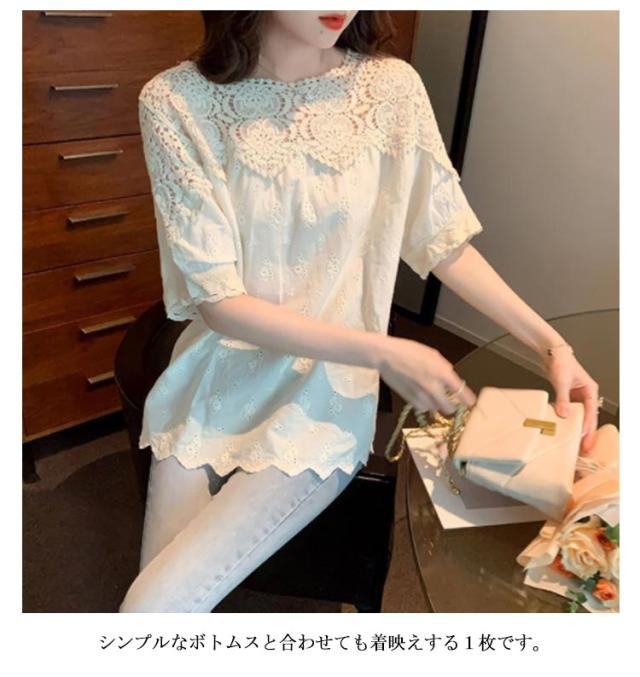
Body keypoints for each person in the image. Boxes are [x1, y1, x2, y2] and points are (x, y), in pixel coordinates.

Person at [119, 10, 601, 613]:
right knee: (155, 610)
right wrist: (385, 351)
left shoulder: (390, 88)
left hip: (324, 392)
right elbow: (219, 302)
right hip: (215, 378)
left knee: (152, 607)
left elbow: (442, 240)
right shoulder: (175, 101)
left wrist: (551, 345)